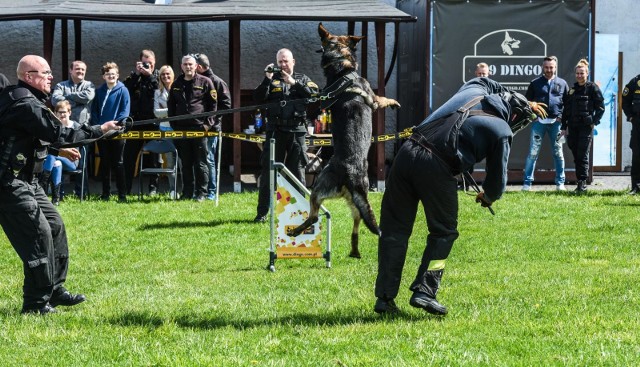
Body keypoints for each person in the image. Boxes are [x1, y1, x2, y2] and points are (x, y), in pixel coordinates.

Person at [373, 77, 543, 315]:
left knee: (394, 231)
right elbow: (497, 181)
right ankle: (425, 291)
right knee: (444, 233)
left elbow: (483, 79)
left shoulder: (475, 90)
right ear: (514, 116)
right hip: (436, 166)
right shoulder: (502, 130)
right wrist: (489, 197)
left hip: (406, 153)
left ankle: (384, 297)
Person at [0, 55, 121, 314]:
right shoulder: (24, 104)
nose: (51, 76)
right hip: (9, 184)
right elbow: (58, 132)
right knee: (38, 234)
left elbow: (34, 136)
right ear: (30, 76)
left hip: (29, 181)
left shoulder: (28, 100)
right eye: (45, 73)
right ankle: (34, 304)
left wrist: (58, 152)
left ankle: (54, 290)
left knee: (54, 226)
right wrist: (100, 130)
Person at [253, 48, 319, 223]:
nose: (283, 65)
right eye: (280, 62)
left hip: (297, 132)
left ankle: (299, 213)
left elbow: (314, 95)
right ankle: (262, 214)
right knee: (268, 173)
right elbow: (257, 98)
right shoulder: (271, 80)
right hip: (275, 132)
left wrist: (293, 83)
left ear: (293, 62)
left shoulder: (303, 79)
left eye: (286, 61)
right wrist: (266, 79)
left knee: (297, 173)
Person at [167, 54, 217, 201]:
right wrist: (173, 125)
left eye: (191, 64)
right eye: (185, 64)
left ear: (196, 66)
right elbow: (171, 105)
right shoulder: (176, 84)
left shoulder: (206, 82)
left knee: (200, 163)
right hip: (181, 130)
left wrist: (207, 125)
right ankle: (187, 192)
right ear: (181, 66)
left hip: (199, 129)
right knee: (186, 163)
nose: (188, 67)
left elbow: (213, 106)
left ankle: (201, 193)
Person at [522, 56, 570, 191]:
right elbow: (527, 103)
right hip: (539, 123)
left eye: (551, 67)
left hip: (557, 124)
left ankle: (560, 183)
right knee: (533, 153)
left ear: (555, 67)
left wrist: (562, 118)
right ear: (543, 67)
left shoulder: (562, 83)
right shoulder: (535, 83)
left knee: (558, 153)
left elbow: (568, 104)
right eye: (546, 67)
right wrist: (533, 116)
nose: (549, 70)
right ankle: (527, 183)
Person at [50, 60, 95, 198]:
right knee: (59, 156)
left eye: (83, 69)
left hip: (82, 129)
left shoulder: (89, 85)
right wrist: (77, 101)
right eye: (77, 69)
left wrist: (67, 98)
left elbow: (87, 97)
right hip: (63, 129)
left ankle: (82, 193)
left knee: (83, 163)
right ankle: (59, 192)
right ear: (71, 71)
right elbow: (55, 100)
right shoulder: (60, 85)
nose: (80, 71)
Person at [561, 59, 605, 193]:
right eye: (578, 73)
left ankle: (582, 183)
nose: (580, 75)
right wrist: (564, 127)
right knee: (576, 154)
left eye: (582, 73)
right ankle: (580, 182)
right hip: (572, 127)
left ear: (587, 73)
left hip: (585, 128)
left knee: (582, 155)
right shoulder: (572, 90)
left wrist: (593, 122)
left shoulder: (592, 88)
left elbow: (601, 108)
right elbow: (566, 110)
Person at [91, 62, 130, 202]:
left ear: (117, 75)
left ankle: (122, 195)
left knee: (118, 163)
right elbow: (94, 110)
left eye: (113, 74)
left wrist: (115, 125)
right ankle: (105, 194)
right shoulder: (99, 91)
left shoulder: (123, 90)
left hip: (117, 131)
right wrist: (99, 126)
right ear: (104, 76)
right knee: (105, 162)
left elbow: (125, 111)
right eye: (108, 74)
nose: (111, 76)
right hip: (102, 132)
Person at [195, 53, 232, 201]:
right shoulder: (196, 80)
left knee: (209, 159)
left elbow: (226, 106)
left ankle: (212, 191)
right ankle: (200, 190)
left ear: (199, 66)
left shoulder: (217, 82)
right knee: (200, 159)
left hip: (212, 128)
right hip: (197, 127)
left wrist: (211, 122)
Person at [123, 49, 160, 196]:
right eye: (145, 62)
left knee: (154, 157)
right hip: (135, 123)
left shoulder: (157, 76)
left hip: (152, 122)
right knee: (129, 157)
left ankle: (153, 188)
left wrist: (150, 76)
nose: (147, 65)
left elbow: (160, 91)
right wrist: (137, 75)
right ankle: (126, 189)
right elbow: (125, 90)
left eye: (150, 62)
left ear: (154, 62)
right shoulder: (134, 77)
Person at [40, 101, 83, 205]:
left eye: (64, 112)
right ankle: (56, 199)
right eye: (59, 112)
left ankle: (43, 185)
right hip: (57, 160)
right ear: (55, 113)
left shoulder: (76, 127)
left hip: (72, 161)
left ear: (69, 113)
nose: (62, 114)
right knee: (56, 164)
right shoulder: (54, 127)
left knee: (52, 154)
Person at [153, 64, 178, 198]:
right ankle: (173, 189)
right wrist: (171, 111)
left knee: (181, 160)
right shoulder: (158, 92)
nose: (165, 76)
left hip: (178, 128)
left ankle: (185, 188)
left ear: (172, 75)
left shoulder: (178, 89)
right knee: (169, 161)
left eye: (168, 73)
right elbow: (156, 113)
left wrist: (166, 110)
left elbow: (181, 111)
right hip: (164, 128)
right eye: (163, 74)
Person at [621, 72, 640, 194]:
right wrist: (631, 117)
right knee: (637, 154)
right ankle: (636, 186)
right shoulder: (634, 82)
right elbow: (625, 100)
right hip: (638, 123)